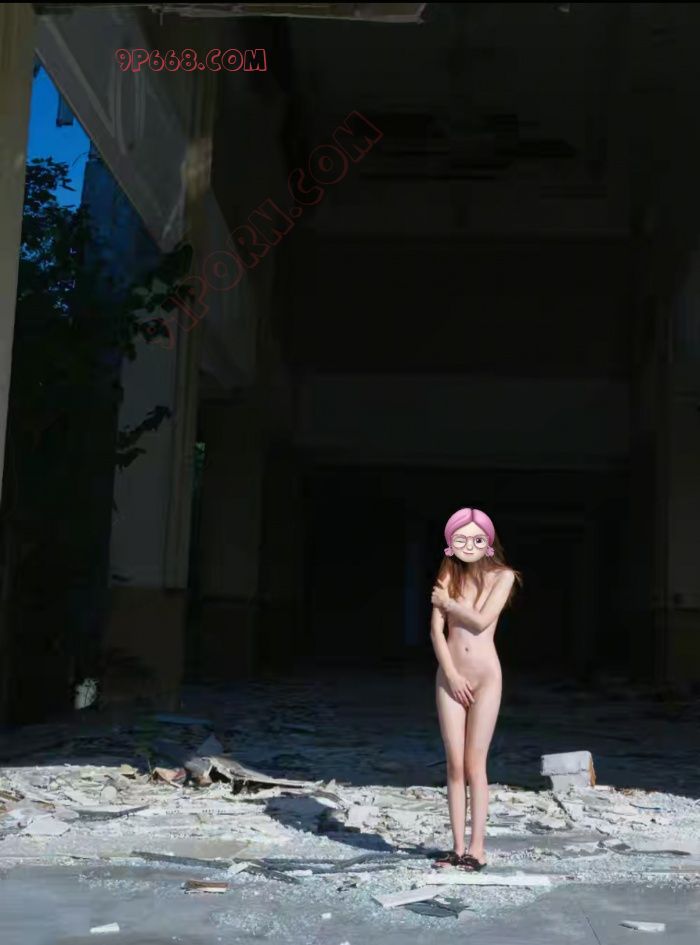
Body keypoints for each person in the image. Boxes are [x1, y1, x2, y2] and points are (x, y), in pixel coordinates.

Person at [429, 507, 522, 871]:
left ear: (488, 541)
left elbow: (482, 621)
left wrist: (449, 603)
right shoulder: (448, 573)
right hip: (450, 676)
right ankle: (456, 848)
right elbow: (436, 631)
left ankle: (477, 848)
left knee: (474, 763)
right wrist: (451, 674)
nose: (468, 544)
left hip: (486, 678)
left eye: (476, 538)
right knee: (454, 764)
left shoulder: (504, 576)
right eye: (460, 538)